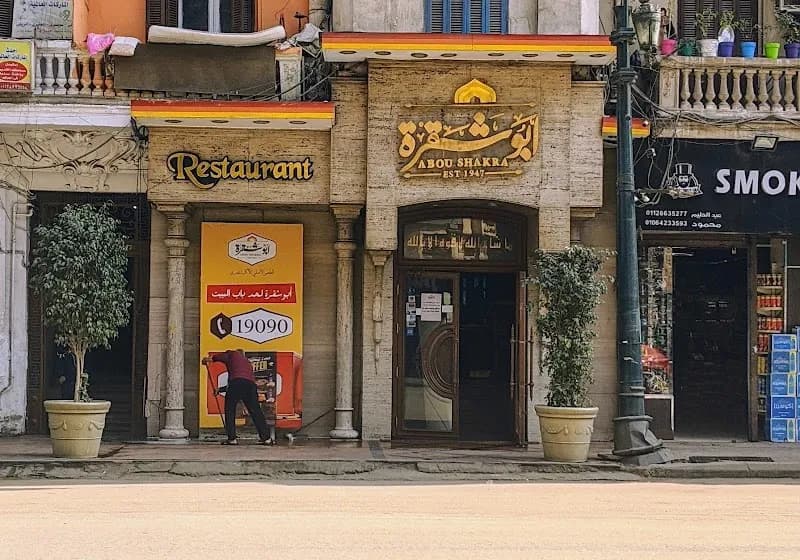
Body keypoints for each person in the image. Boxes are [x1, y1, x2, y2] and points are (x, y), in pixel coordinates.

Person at [202, 350, 273, 445]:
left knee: (230, 410)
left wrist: (208, 360)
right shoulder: (247, 363)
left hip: (236, 383)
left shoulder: (232, 354)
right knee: (256, 411)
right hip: (250, 385)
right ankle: (266, 438)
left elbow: (235, 380)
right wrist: (220, 390)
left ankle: (232, 438)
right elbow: (242, 379)